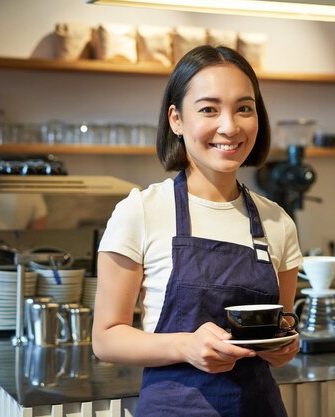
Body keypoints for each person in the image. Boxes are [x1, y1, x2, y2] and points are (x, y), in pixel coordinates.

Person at [93, 45, 303, 417]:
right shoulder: (139, 212)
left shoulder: (277, 222)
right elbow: (107, 338)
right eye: (209, 109)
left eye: (244, 108)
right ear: (176, 119)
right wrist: (185, 347)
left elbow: (279, 332)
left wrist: (284, 347)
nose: (230, 126)